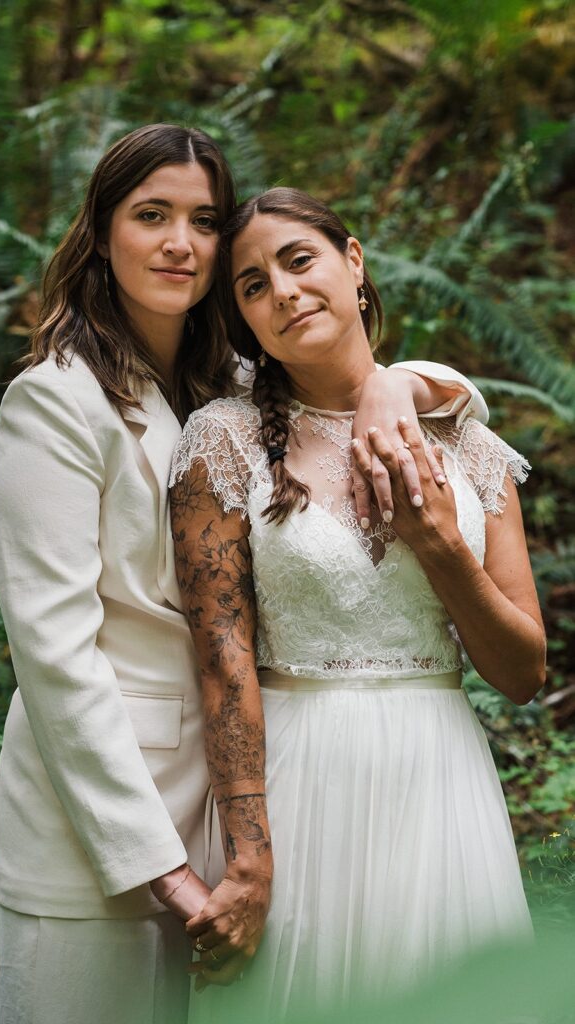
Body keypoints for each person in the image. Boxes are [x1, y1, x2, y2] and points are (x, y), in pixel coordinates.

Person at [0, 123, 487, 1024]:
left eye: (203, 219)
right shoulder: (54, 401)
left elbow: (426, 394)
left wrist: (393, 385)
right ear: (102, 233)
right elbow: (55, 657)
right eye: (151, 215)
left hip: (236, 810)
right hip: (101, 828)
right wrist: (167, 875)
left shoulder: (225, 381)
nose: (180, 242)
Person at [169, 187, 546, 1023]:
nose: (283, 292)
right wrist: (249, 858)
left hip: (440, 781)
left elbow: (522, 670)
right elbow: (222, 661)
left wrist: (442, 547)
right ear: (242, 319)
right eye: (252, 286)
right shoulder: (222, 443)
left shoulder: (467, 446)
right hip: (298, 782)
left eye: (298, 260)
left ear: (353, 261)